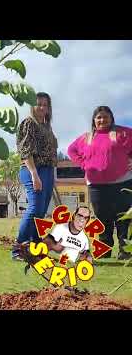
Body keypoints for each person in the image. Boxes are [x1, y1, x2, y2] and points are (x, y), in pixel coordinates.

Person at [68, 106, 132, 260]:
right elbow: (71, 150)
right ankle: (104, 251)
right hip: (96, 185)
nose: (102, 120)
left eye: (106, 117)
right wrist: (84, 164)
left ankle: (126, 251)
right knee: (103, 218)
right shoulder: (86, 137)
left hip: (122, 181)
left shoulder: (123, 133)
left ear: (111, 118)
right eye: (99, 117)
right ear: (94, 120)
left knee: (123, 218)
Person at [12, 92, 58, 261]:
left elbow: (51, 153)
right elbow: (25, 150)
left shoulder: (46, 126)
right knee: (34, 208)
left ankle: (33, 248)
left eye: (45, 105)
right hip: (32, 169)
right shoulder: (28, 123)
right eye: (38, 104)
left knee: (41, 212)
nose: (41, 107)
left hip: (47, 171)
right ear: (32, 106)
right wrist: (34, 174)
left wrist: (52, 176)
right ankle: (18, 249)